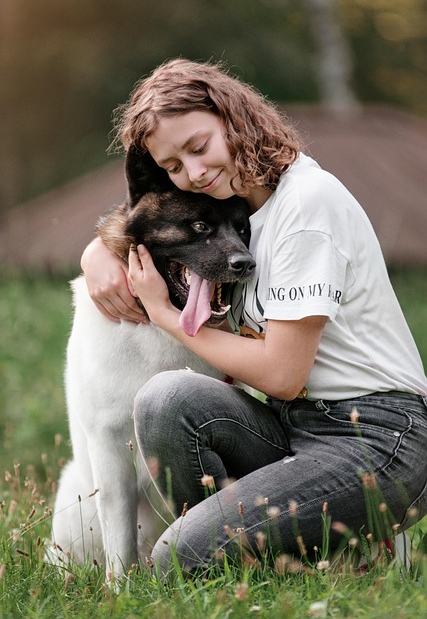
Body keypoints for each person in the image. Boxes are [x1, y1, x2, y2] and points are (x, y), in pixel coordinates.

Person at [81, 58, 427, 575]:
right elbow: (151, 221)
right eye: (174, 166)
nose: (193, 173)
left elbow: (283, 377)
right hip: (298, 429)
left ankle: (311, 546)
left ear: (234, 117)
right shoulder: (238, 208)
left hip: (379, 438)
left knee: (177, 560)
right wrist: (99, 252)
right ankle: (265, 552)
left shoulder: (306, 206)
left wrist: (165, 315)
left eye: (198, 147)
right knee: (167, 398)